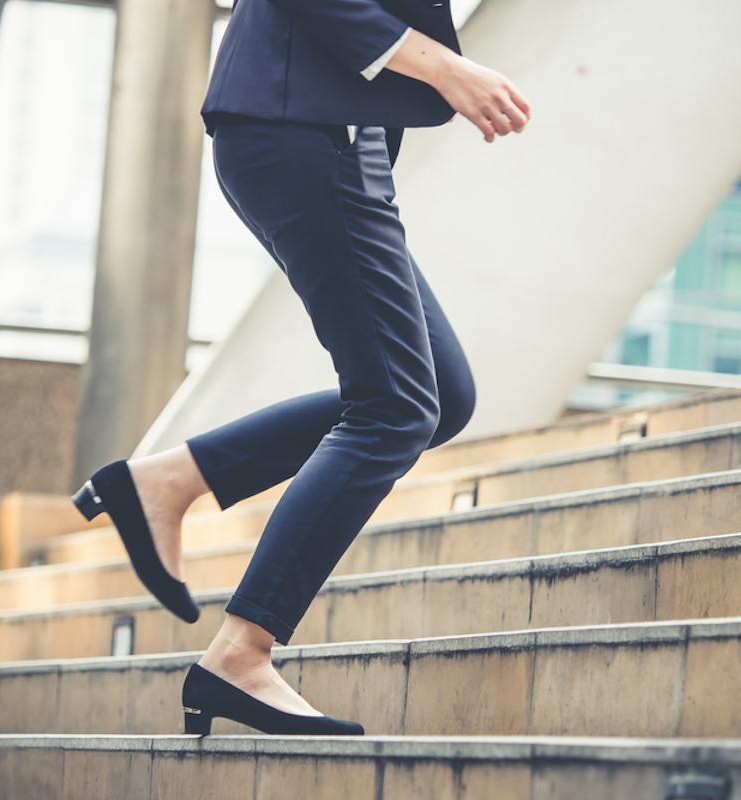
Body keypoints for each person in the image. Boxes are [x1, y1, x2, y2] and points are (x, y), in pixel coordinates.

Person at [73, 0, 531, 736]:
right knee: (395, 409)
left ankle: (169, 480)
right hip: (305, 129)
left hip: (330, 137)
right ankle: (241, 650)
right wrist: (446, 69)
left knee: (439, 396)